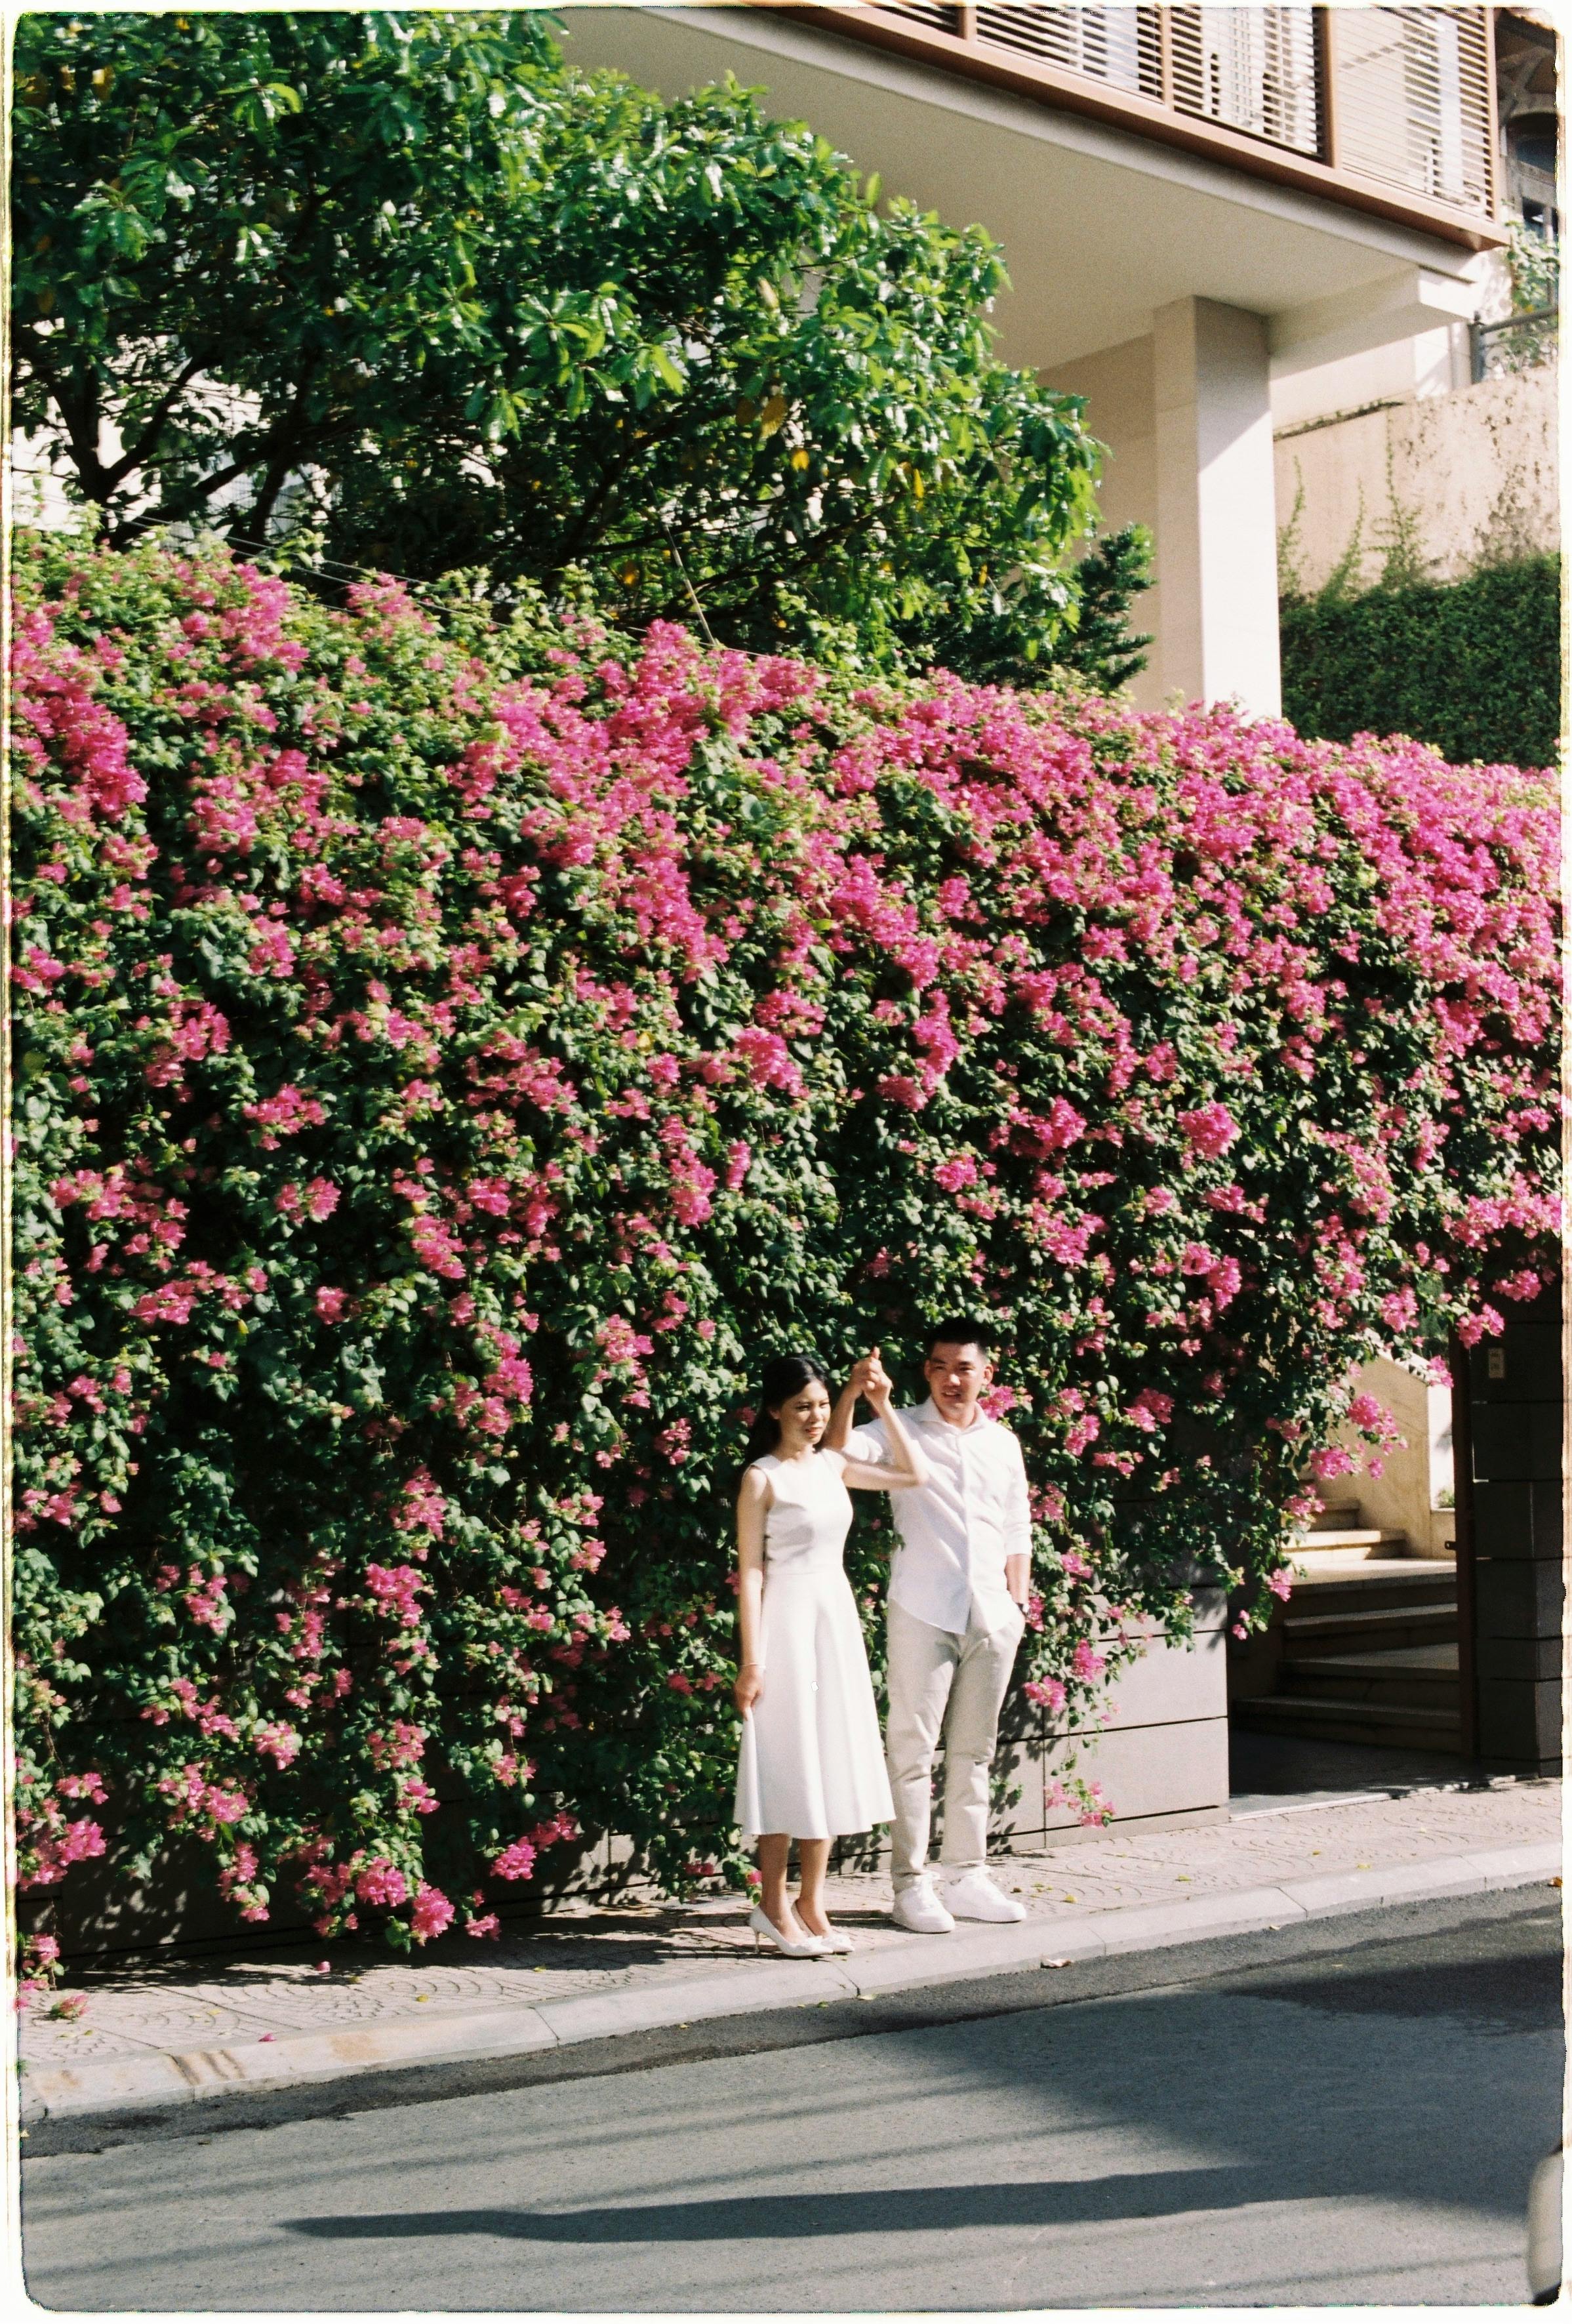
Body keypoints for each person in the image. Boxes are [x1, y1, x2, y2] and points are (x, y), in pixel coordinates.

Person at [826, 1318, 1032, 1934]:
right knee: (912, 1751)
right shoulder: (900, 1429)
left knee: (974, 1752)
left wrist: (1016, 1604)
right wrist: (857, 1397)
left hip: (992, 1614)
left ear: (985, 1374)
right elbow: (835, 1457)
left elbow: (1017, 1526)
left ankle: (968, 1875)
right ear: (927, 1372)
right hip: (922, 1609)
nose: (950, 1379)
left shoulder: (1003, 1443)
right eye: (939, 1366)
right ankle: (910, 1884)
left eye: (963, 1367)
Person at [733, 1352, 929, 1957]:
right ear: (775, 1410)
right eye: (802, 1406)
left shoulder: (835, 1465)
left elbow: (912, 1473)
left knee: (827, 1759)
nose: (814, 1416)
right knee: (785, 1761)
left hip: (834, 1619)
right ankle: (771, 1905)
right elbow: (750, 1571)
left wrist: (879, 1402)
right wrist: (751, 1660)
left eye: (821, 1405)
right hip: (785, 1626)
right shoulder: (761, 1477)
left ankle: (810, 1903)